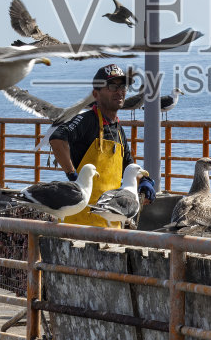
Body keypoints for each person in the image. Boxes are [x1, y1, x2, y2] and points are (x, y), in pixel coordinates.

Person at [48, 64, 153, 226]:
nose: (119, 91)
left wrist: (144, 181)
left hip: (112, 221)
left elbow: (128, 166)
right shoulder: (86, 120)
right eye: (112, 86)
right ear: (96, 94)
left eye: (122, 86)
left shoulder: (118, 130)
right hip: (82, 220)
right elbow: (57, 139)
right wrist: (73, 177)